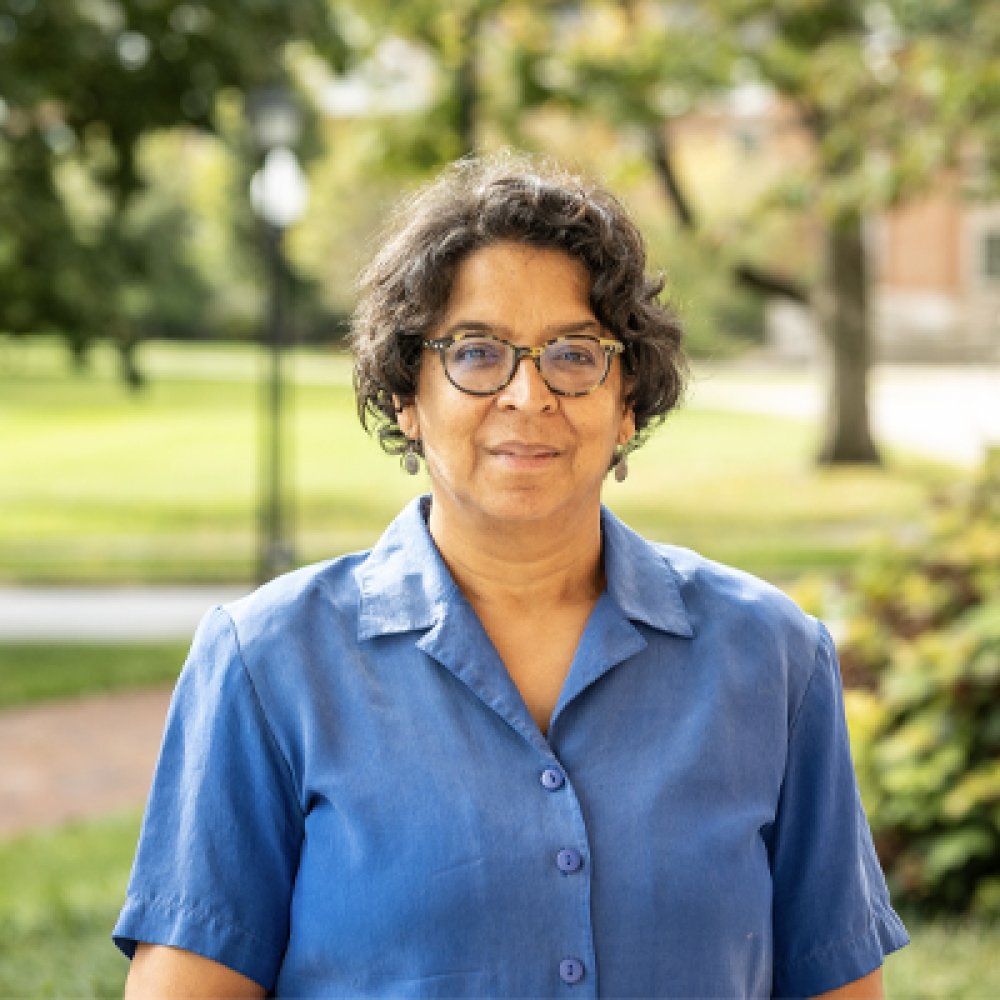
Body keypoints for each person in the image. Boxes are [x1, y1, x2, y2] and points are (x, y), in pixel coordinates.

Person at [115, 153, 908, 999]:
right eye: (477, 352)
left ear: (628, 401)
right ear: (404, 397)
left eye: (573, 354)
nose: (528, 395)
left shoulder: (774, 658)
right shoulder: (266, 661)